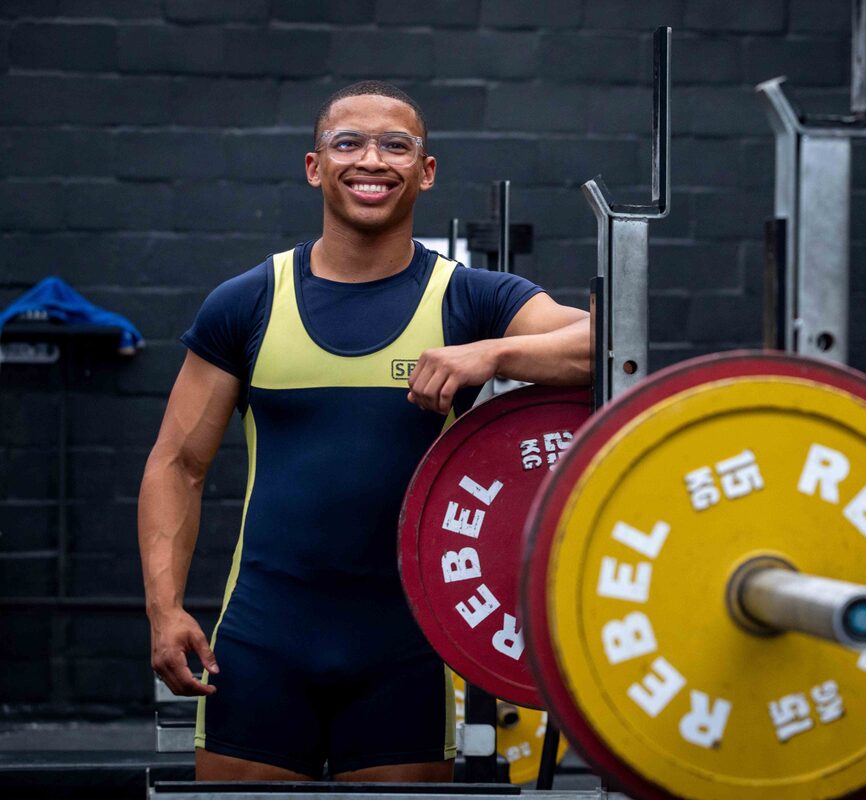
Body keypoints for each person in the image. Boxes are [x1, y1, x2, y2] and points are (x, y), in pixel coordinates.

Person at [137, 80, 590, 782]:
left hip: (407, 647)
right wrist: (163, 610)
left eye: (395, 146)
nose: (371, 160)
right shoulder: (250, 301)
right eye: (348, 143)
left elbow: (607, 343)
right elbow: (177, 465)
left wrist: (491, 352)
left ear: (426, 171)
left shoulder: (471, 298)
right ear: (315, 166)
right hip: (262, 638)